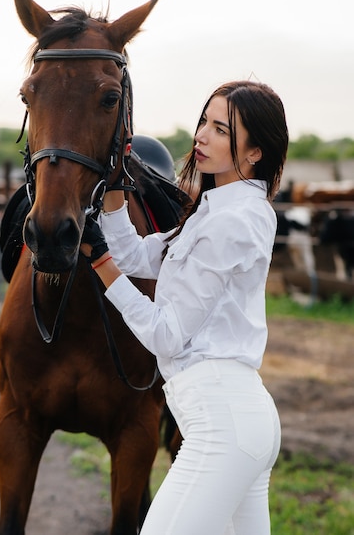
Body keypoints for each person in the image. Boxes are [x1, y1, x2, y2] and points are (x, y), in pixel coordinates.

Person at [81, 80, 289, 535]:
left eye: (220, 128)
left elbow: (166, 334)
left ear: (255, 152)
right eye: (203, 122)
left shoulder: (232, 221)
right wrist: (115, 189)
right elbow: (136, 256)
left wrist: (100, 265)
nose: (201, 135)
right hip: (239, 416)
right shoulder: (216, 212)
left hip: (221, 424)